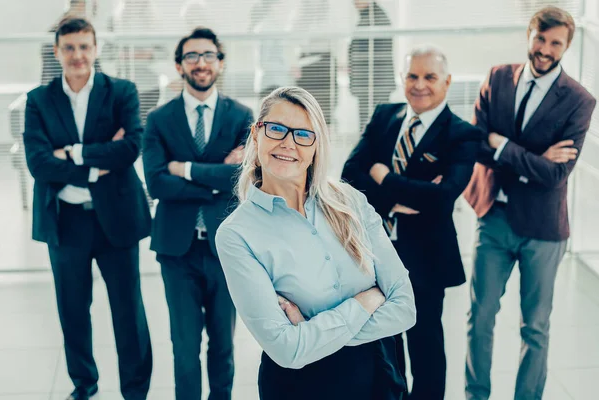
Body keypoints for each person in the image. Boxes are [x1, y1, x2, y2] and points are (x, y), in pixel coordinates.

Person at [215, 86, 416, 400]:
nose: (288, 143)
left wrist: (311, 332)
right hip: (300, 388)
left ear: (316, 146)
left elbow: (405, 308)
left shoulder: (350, 202)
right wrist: (365, 302)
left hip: (378, 377)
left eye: (303, 134)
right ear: (257, 134)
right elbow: (287, 350)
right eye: (277, 129)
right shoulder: (237, 234)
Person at [463, 6, 597, 400]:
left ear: (566, 46)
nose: (545, 49)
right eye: (540, 38)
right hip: (494, 216)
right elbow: (476, 143)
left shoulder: (579, 100)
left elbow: (557, 175)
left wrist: (502, 145)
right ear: (529, 35)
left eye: (555, 43)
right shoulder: (498, 78)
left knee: (535, 328)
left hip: (543, 230)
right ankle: (476, 395)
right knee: (480, 318)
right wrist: (534, 159)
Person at [23, 17, 153, 400]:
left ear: (96, 48)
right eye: (69, 47)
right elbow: (38, 163)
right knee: (73, 311)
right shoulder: (39, 100)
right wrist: (99, 166)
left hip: (117, 219)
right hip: (66, 223)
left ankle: (135, 390)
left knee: (128, 312)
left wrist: (74, 154)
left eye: (84, 46)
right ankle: (85, 384)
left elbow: (131, 148)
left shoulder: (122, 92)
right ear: (57, 51)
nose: (78, 55)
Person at [342, 45, 481, 400]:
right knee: (385, 345)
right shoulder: (384, 115)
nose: (420, 85)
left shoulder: (462, 134)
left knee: (425, 345)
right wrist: (402, 197)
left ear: (447, 82)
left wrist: (383, 178)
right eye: (412, 76)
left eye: (429, 77)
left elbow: (442, 197)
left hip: (427, 258)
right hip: (377, 252)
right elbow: (350, 176)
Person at [142, 27, 253, 400]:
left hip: (226, 249)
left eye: (208, 55)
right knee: (185, 348)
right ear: (179, 66)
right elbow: (156, 184)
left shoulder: (242, 116)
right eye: (192, 56)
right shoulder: (158, 119)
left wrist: (185, 169)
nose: (200, 62)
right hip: (178, 250)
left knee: (223, 344)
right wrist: (216, 179)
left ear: (220, 63)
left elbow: (242, 178)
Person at [349, 0, 395, 130]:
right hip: (370, 84)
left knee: (373, 125)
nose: (354, 3)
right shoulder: (370, 16)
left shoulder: (375, 18)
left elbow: (371, 53)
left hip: (373, 83)